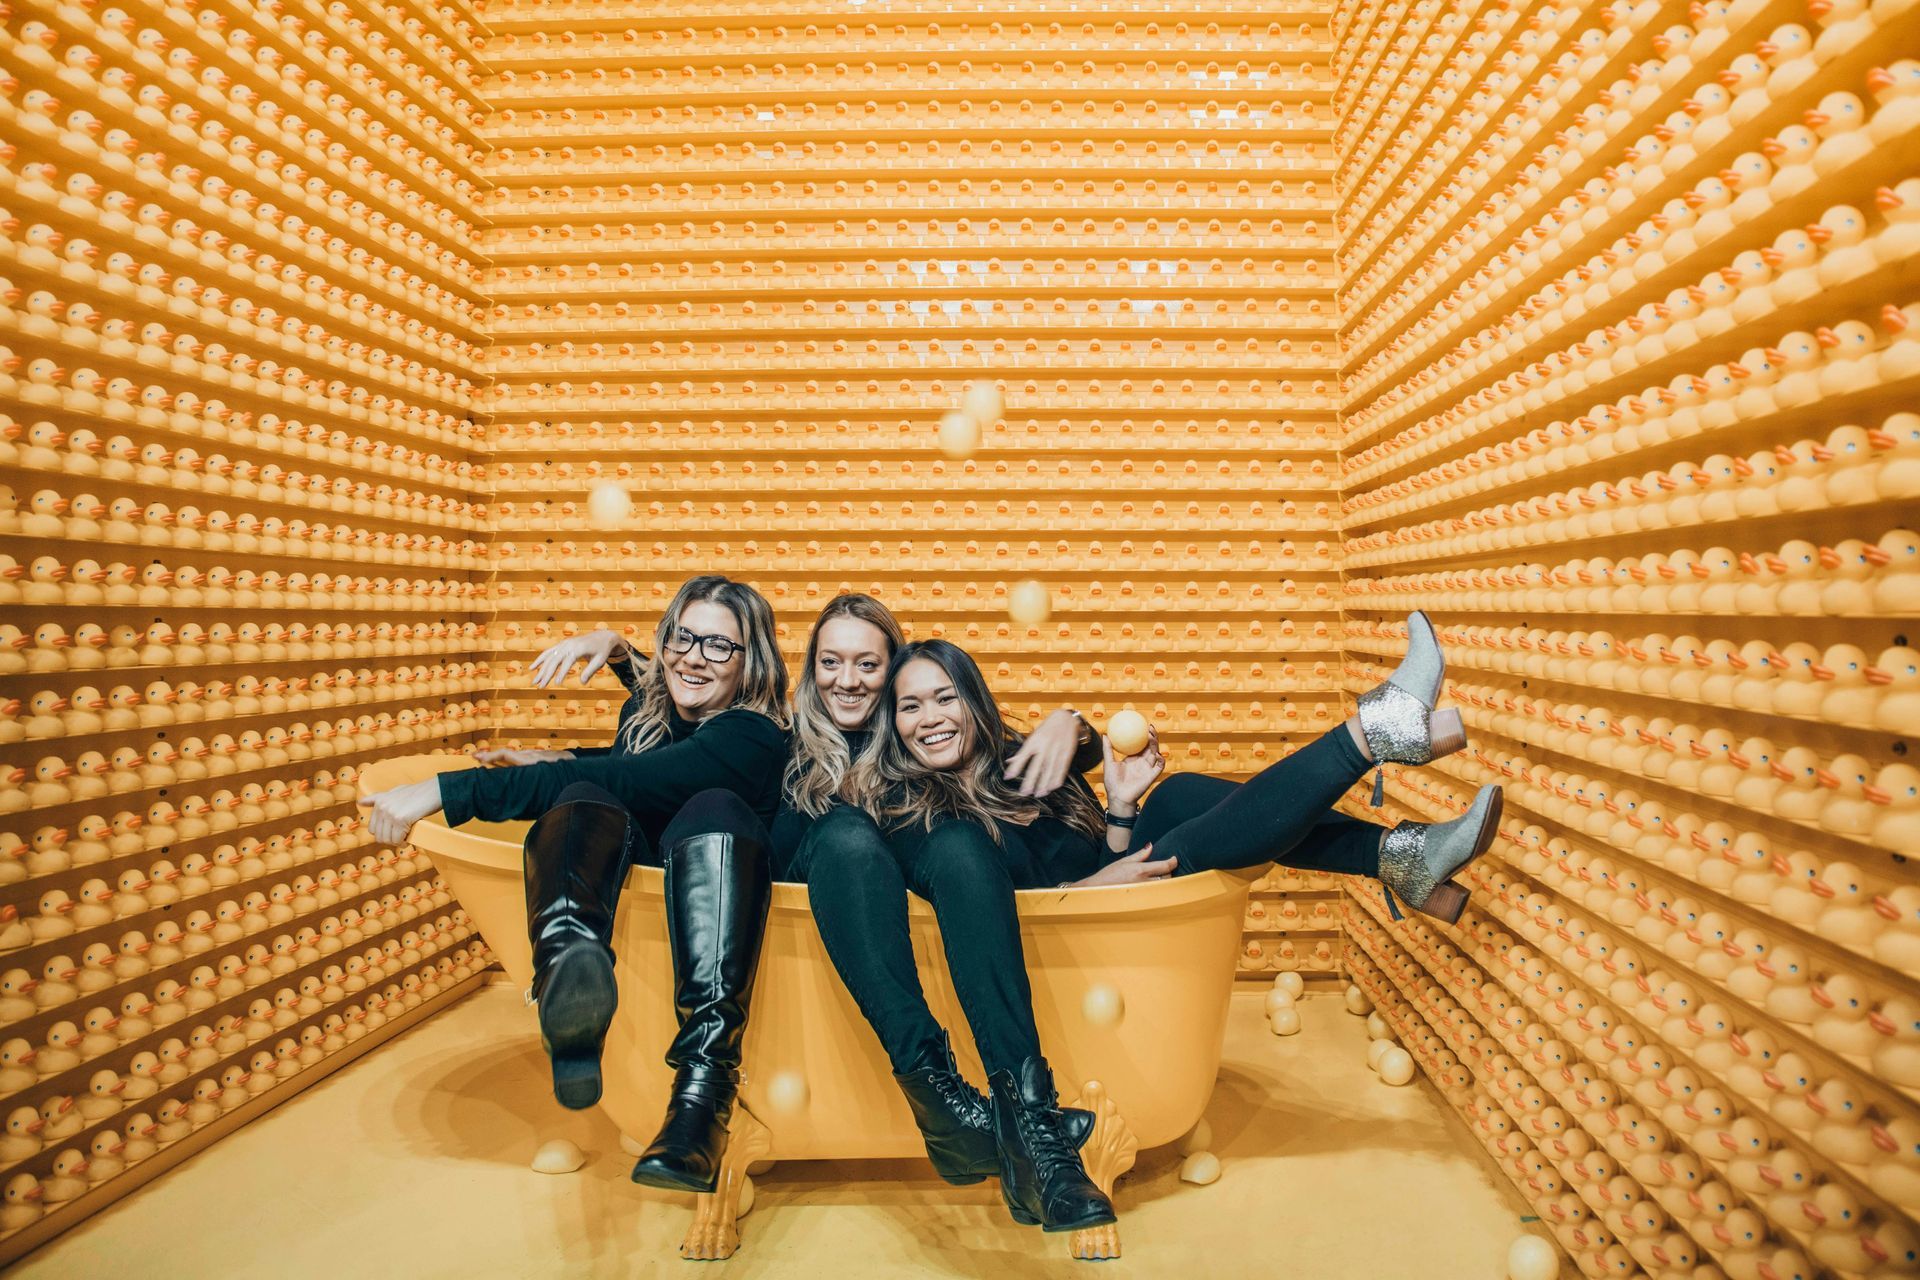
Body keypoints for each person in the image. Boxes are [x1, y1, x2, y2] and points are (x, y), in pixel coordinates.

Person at [838, 613, 1502, 1231]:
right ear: (892, 726)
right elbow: (992, 907)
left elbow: (1115, 861)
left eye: (944, 696)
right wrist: (1092, 887)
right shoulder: (915, 810)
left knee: (1175, 795)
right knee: (1187, 832)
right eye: (910, 706)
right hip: (1080, 952)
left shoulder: (1021, 768)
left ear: (973, 701)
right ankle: (1378, 746)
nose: (929, 718)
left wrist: (1119, 809)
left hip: (1114, 929)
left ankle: (1397, 852)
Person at [358, 574, 790, 1195]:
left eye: (720, 646)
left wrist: (447, 790)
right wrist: (613, 660)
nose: (695, 656)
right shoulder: (655, 716)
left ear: (752, 665)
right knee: (584, 795)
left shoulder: (752, 736)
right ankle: (569, 978)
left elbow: (647, 779)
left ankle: (702, 1095)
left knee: (701, 802)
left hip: (725, 910)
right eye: (682, 637)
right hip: (657, 895)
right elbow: (642, 758)